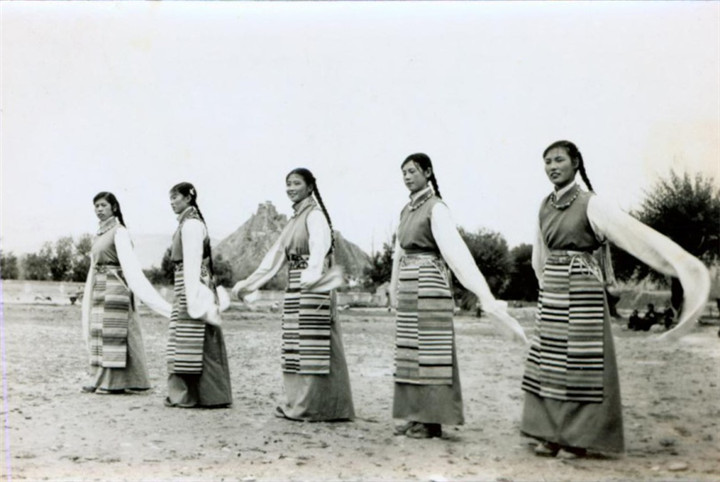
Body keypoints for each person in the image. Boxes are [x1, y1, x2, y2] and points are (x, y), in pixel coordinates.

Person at [522, 140, 710, 458]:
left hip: (582, 288)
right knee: (550, 361)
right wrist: (546, 287)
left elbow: (635, 235)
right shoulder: (544, 205)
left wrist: (679, 263)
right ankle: (550, 434)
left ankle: (577, 439)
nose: (552, 167)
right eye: (547, 162)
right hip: (552, 290)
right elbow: (539, 255)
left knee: (581, 363)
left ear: (576, 163)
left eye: (559, 160)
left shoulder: (592, 204)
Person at [389, 153, 527, 439]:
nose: (407, 177)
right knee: (410, 352)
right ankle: (415, 415)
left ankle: (431, 421)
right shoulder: (405, 211)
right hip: (409, 285)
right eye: (404, 172)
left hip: (430, 284)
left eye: (412, 171)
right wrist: (394, 286)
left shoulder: (436, 208)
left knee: (431, 353)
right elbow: (399, 252)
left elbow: (455, 252)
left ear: (428, 172)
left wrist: (482, 293)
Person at [232, 168, 355, 422]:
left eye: (296, 183)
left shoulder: (315, 216)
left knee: (314, 346)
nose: (290, 188)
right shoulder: (293, 221)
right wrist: (248, 284)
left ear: (310, 187)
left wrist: (312, 278)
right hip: (295, 286)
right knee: (296, 346)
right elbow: (274, 259)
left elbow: (319, 250)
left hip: (313, 286)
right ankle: (300, 403)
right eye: (288, 183)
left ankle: (319, 407)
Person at [81, 192, 172, 394]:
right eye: (96, 206)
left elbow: (129, 264)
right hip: (99, 286)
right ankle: (98, 379)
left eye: (103, 205)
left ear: (114, 207)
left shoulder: (119, 231)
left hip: (115, 286)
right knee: (99, 334)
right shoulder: (99, 234)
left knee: (113, 334)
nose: (99, 209)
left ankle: (113, 383)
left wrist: (133, 288)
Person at [165, 182, 232, 408]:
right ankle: (193, 393)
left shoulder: (192, 224)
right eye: (170, 198)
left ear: (188, 198)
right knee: (187, 337)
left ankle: (197, 394)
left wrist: (192, 294)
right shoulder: (186, 223)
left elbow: (193, 261)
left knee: (194, 335)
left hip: (192, 282)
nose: (172, 202)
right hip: (187, 281)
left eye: (176, 197)